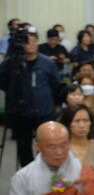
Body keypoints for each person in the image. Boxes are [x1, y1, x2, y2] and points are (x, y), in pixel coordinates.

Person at [0, 30, 63, 166]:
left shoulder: (47, 62)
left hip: (44, 111)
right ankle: (27, 172)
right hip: (21, 112)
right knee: (24, 146)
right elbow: (3, 81)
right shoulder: (12, 62)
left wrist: (54, 103)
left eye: (34, 41)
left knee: (46, 143)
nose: (31, 44)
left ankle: (45, 171)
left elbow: (56, 85)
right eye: (27, 42)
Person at [58, 104, 94, 186]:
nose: (82, 126)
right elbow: (57, 181)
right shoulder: (60, 150)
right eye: (77, 121)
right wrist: (93, 174)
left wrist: (73, 177)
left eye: (85, 120)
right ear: (68, 123)